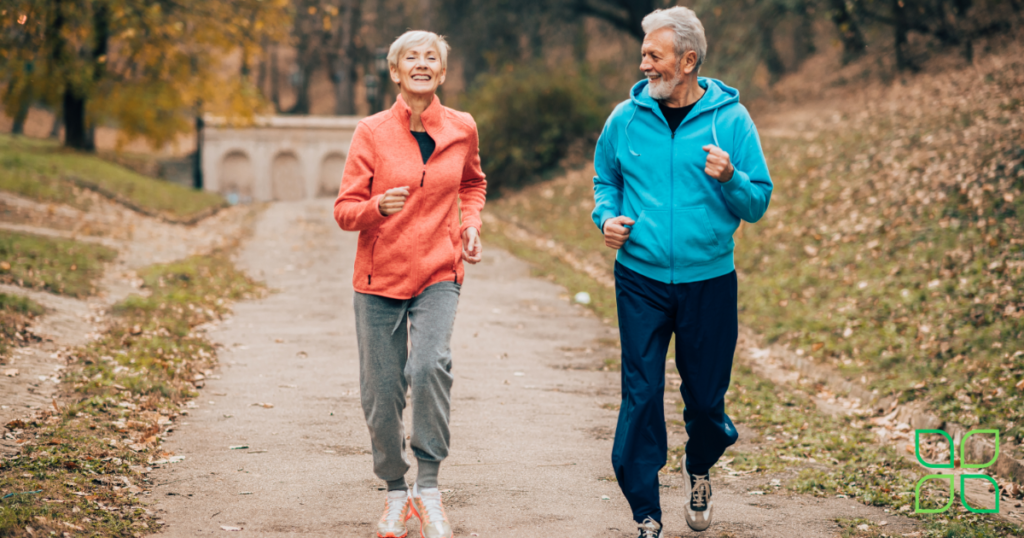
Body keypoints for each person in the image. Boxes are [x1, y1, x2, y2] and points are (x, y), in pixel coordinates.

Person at [591, 7, 773, 537]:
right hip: (640, 277)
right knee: (641, 392)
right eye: (644, 52)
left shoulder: (731, 121)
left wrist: (731, 177)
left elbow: (757, 201)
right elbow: (606, 180)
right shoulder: (625, 117)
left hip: (709, 280)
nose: (643, 62)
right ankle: (646, 511)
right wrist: (607, 219)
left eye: (654, 53)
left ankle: (700, 466)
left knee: (706, 398)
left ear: (687, 60)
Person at [333, 30, 487, 538]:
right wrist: (378, 207)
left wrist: (469, 225)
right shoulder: (371, 132)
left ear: (441, 73)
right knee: (381, 393)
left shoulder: (462, 127)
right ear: (396, 73)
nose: (421, 64)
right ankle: (396, 494)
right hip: (379, 278)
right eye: (410, 58)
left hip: (439, 272)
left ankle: (430, 489)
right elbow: (344, 210)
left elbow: (472, 182)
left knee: (429, 365)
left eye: (431, 58)